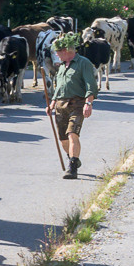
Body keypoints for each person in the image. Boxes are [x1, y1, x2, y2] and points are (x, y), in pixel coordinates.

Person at [45, 32, 96, 180]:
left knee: (72, 134)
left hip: (77, 104)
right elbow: (59, 87)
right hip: (61, 106)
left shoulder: (83, 63)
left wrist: (88, 103)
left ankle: (72, 168)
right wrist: (52, 103)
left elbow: (90, 85)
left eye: (58, 52)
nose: (57, 55)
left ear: (66, 50)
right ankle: (74, 158)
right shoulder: (62, 66)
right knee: (63, 139)